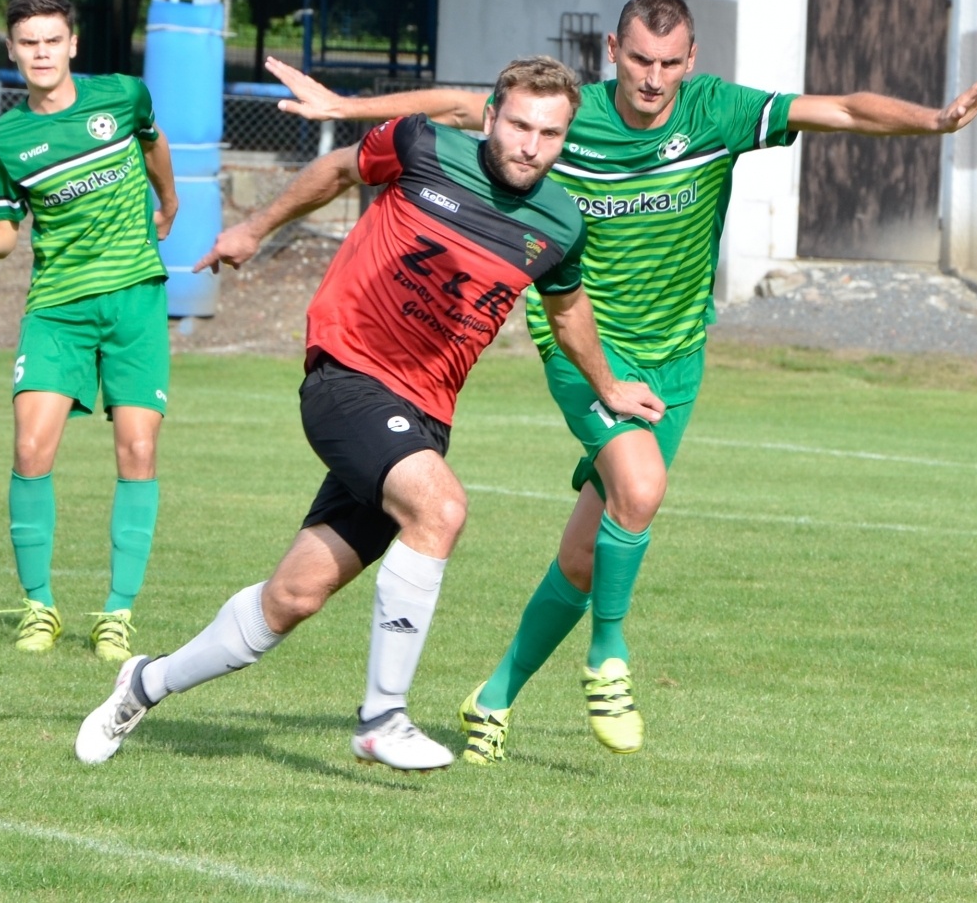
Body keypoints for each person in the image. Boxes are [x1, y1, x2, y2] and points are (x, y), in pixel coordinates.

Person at [260, 0, 977, 764]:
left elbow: (845, 110)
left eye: (669, 63)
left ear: (692, 61)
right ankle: (608, 661)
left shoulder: (717, 113)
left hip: (678, 358)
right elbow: (454, 103)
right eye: (640, 61)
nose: (653, 79)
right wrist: (347, 104)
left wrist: (936, 120)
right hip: (589, 351)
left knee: (589, 554)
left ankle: (494, 697)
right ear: (612, 52)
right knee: (641, 488)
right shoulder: (567, 118)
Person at [73, 56, 664, 772]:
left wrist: (605, 383)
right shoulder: (422, 146)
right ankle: (382, 716)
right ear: (489, 117)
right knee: (439, 506)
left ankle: (144, 682)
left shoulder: (560, 222)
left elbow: (568, 314)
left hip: (423, 416)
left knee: (292, 597)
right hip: (346, 376)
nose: (530, 144)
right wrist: (255, 227)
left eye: (548, 132)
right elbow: (338, 173)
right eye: (518, 124)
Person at [0, 0, 178, 663]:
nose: (40, 52)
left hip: (134, 300)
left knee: (137, 452)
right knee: (31, 450)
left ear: (73, 45)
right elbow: (4, 235)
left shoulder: (121, 96)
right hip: (56, 306)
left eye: (51, 40)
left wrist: (169, 200)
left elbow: (155, 143)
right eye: (28, 42)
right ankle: (38, 605)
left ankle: (117, 614)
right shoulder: (5, 138)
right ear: (11, 50)